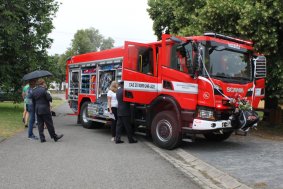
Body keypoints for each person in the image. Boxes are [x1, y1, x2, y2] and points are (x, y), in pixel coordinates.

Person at [31, 78, 63, 143]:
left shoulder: (34, 91)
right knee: (49, 124)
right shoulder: (44, 90)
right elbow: (49, 98)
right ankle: (55, 137)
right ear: (43, 83)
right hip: (45, 109)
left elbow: (33, 101)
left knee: (40, 124)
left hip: (37, 109)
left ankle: (42, 138)